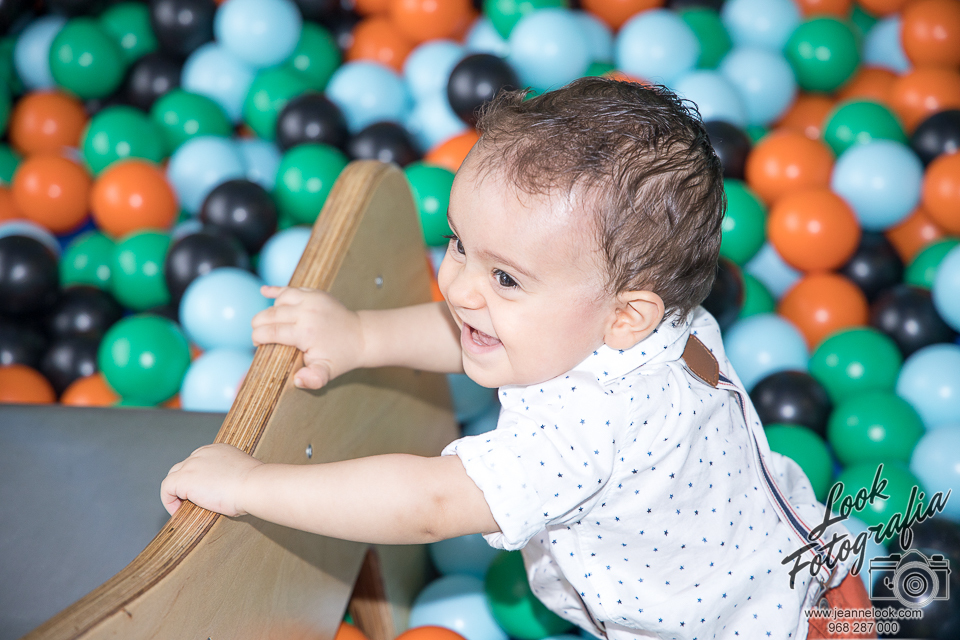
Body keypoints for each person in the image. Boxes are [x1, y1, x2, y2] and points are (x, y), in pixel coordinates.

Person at [161, 77, 867, 639]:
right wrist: (362, 337)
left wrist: (250, 485)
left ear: (626, 316)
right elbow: (486, 332)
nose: (460, 286)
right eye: (458, 243)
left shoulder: (580, 434)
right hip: (812, 567)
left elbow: (428, 503)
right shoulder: (670, 322)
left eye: (505, 277)